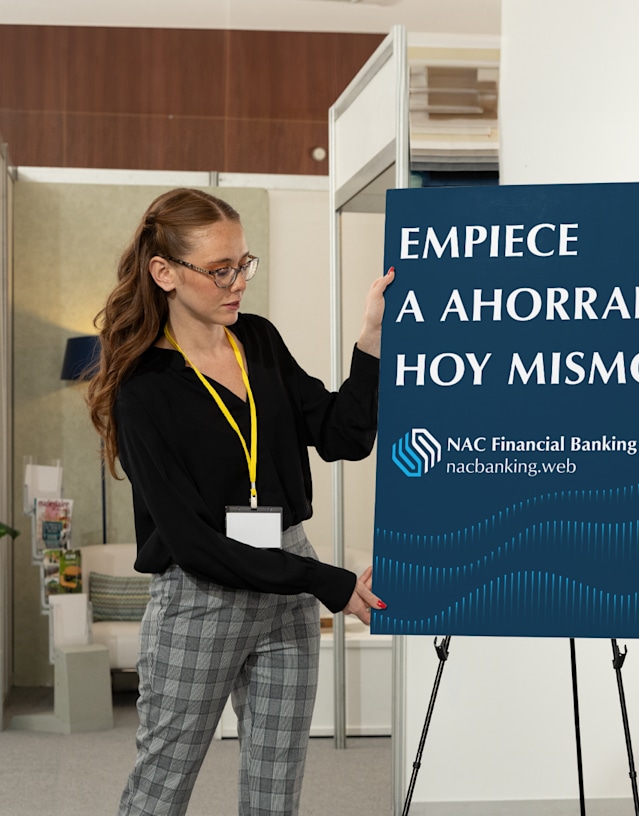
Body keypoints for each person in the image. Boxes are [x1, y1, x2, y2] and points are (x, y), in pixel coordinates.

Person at [86, 187, 394, 816]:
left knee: (275, 789)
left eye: (244, 265)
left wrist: (371, 343)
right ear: (164, 273)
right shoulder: (142, 390)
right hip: (202, 596)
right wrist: (323, 581)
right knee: (162, 782)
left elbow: (343, 437)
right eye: (219, 270)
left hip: (286, 584)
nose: (237, 283)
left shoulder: (257, 341)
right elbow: (196, 544)